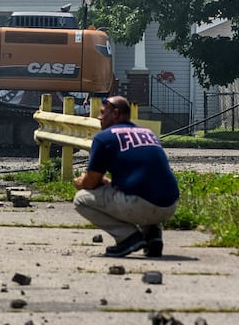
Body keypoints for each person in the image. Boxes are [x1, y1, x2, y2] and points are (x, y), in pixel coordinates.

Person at [72, 96, 179, 257]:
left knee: (81, 199)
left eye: (102, 113)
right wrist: (105, 182)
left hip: (141, 205)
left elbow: (91, 181)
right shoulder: (147, 133)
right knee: (148, 187)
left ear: (115, 113)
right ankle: (152, 236)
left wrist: (80, 182)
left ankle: (128, 238)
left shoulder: (104, 138)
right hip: (169, 204)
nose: (99, 118)